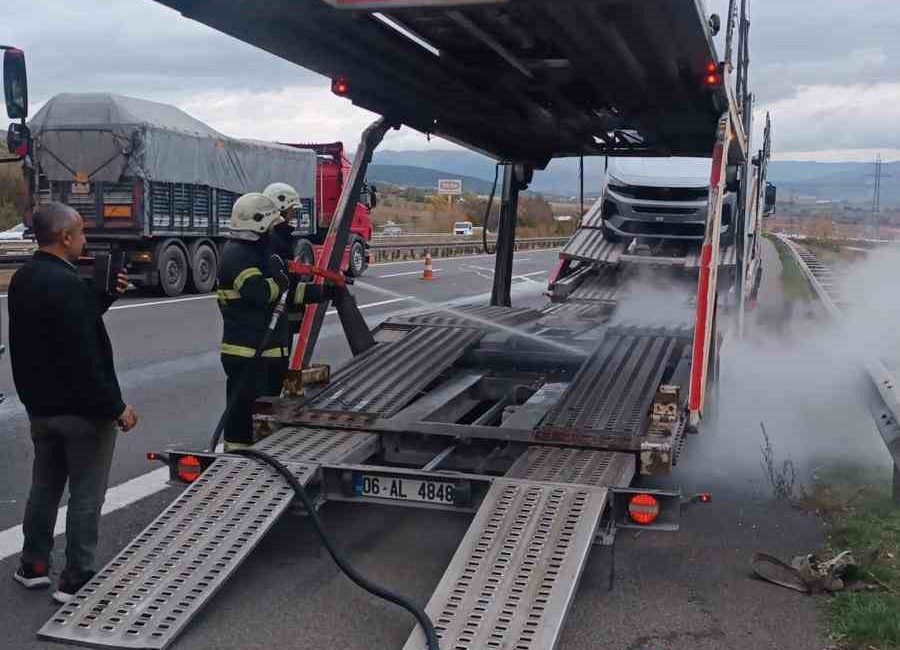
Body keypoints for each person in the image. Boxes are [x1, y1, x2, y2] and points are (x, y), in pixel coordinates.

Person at [8, 202, 138, 604]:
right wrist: (117, 407)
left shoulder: (24, 278)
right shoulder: (67, 285)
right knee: (86, 493)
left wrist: (102, 297)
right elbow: (84, 358)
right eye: (81, 233)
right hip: (83, 413)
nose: (84, 240)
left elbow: (61, 326)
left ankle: (34, 566)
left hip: (42, 410)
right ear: (66, 237)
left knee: (45, 486)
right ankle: (77, 577)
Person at [217, 193, 334, 451]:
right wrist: (281, 280)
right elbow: (259, 292)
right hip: (248, 352)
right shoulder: (237, 255)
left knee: (266, 412)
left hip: (268, 351)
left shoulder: (260, 252)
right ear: (258, 223)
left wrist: (321, 291)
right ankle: (238, 458)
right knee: (243, 413)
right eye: (271, 224)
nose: (276, 229)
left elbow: (286, 295)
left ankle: (261, 453)